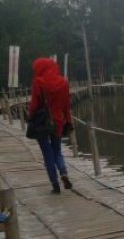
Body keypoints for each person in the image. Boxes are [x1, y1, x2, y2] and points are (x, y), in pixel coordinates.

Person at [29, 57, 73, 194]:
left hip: (41, 123)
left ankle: (55, 185)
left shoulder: (38, 82)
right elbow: (66, 106)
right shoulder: (64, 82)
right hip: (58, 122)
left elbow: (34, 105)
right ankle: (63, 172)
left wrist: (30, 117)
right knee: (57, 151)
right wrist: (69, 121)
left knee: (47, 154)